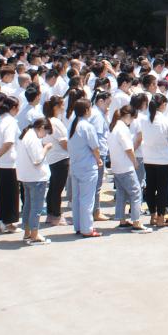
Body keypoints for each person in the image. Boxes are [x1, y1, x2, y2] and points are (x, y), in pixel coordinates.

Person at [138, 92, 168, 229]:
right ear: (163, 105)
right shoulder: (166, 121)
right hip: (163, 160)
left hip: (148, 159)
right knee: (162, 189)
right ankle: (161, 218)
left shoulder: (144, 120)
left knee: (150, 188)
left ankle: (153, 215)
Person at [67, 97, 104, 237]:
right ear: (87, 110)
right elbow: (95, 147)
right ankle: (87, 228)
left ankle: (78, 226)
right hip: (87, 166)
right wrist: (98, 160)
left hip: (75, 165)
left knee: (77, 198)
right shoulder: (87, 126)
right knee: (87, 199)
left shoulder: (72, 125)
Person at [107, 105, 147, 232]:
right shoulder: (122, 128)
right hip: (125, 166)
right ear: (128, 116)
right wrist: (135, 162)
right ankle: (136, 222)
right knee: (136, 193)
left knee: (121, 193)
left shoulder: (114, 127)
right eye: (133, 118)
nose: (133, 121)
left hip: (116, 166)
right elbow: (129, 149)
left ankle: (122, 220)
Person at [16, 117, 54, 244]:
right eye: (46, 132)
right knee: (36, 207)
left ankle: (28, 233)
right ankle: (34, 235)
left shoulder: (27, 135)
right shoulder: (32, 138)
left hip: (26, 176)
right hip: (35, 177)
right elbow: (37, 159)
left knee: (28, 206)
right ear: (42, 128)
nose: (45, 136)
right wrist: (46, 148)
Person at [0, 96, 21, 235]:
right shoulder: (10, 121)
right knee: (11, 195)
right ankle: (8, 223)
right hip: (9, 162)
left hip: (1, 163)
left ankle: (4, 220)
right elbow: (8, 142)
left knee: (3, 194)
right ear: (14, 108)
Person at [43, 96, 71, 227]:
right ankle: (56, 216)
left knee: (53, 188)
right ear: (56, 107)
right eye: (62, 105)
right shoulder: (55, 122)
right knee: (57, 189)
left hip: (52, 158)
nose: (64, 107)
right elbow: (64, 142)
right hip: (60, 158)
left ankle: (51, 214)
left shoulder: (48, 120)